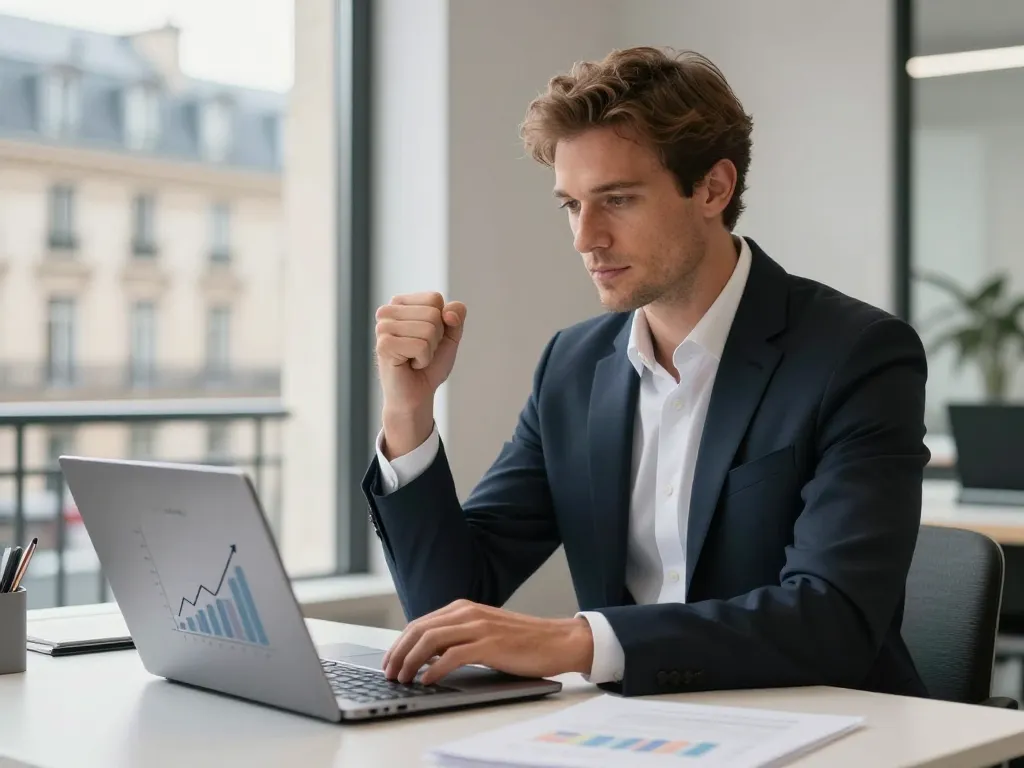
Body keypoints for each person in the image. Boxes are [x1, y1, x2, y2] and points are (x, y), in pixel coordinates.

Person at [363, 45, 930, 698]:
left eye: (618, 200)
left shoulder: (855, 354)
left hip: (831, 732)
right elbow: (449, 610)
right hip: (637, 734)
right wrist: (408, 413)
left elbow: (833, 621)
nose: (585, 238)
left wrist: (579, 641)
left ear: (713, 188)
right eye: (571, 205)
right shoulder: (572, 367)